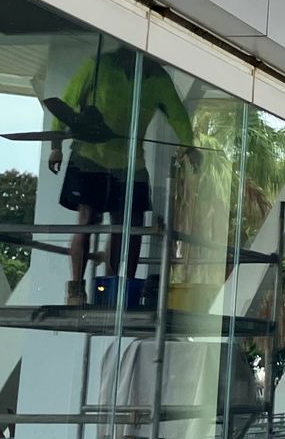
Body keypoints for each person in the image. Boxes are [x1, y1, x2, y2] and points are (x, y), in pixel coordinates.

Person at [48, 43, 197, 306]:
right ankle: (76, 289)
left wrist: (189, 145)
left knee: (128, 226)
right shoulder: (100, 65)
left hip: (130, 164)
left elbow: (177, 114)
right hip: (90, 156)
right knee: (86, 220)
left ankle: (116, 287)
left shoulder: (157, 77)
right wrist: (56, 145)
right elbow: (67, 102)